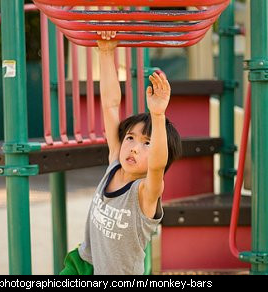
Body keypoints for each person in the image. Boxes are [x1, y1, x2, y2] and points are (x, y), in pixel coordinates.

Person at [60, 31, 181, 275]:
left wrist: (158, 115)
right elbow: (110, 105)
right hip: (84, 263)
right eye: (130, 138)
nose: (134, 147)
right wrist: (105, 54)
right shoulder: (115, 162)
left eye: (147, 143)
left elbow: (157, 165)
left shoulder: (146, 192)